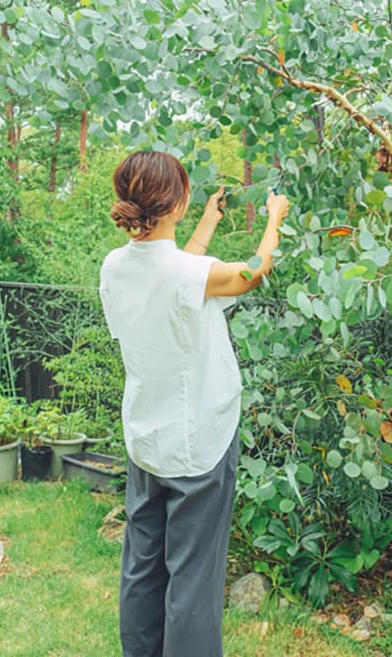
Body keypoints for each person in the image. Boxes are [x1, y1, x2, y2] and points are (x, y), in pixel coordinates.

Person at [98, 150, 290, 657]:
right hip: (198, 444)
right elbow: (253, 271)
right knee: (192, 578)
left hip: (147, 439)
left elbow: (178, 274)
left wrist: (205, 223)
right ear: (176, 201)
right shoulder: (188, 274)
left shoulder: (116, 267)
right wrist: (274, 219)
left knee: (142, 565)